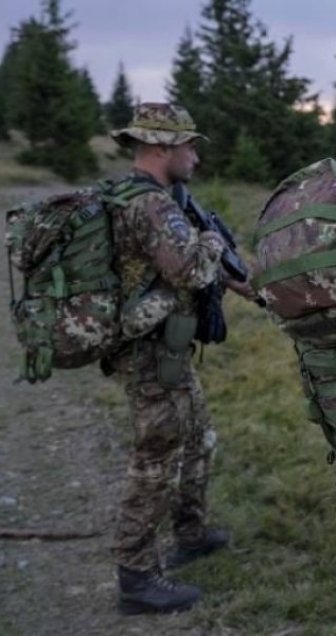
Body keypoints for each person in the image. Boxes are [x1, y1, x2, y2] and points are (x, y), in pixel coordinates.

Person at [105, 103, 251, 615]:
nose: (194, 155)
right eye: (189, 146)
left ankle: (191, 533)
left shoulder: (157, 199)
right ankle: (137, 577)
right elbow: (189, 272)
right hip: (150, 353)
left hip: (168, 344)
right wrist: (212, 241)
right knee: (155, 460)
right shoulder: (152, 206)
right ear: (161, 147)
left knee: (198, 436)